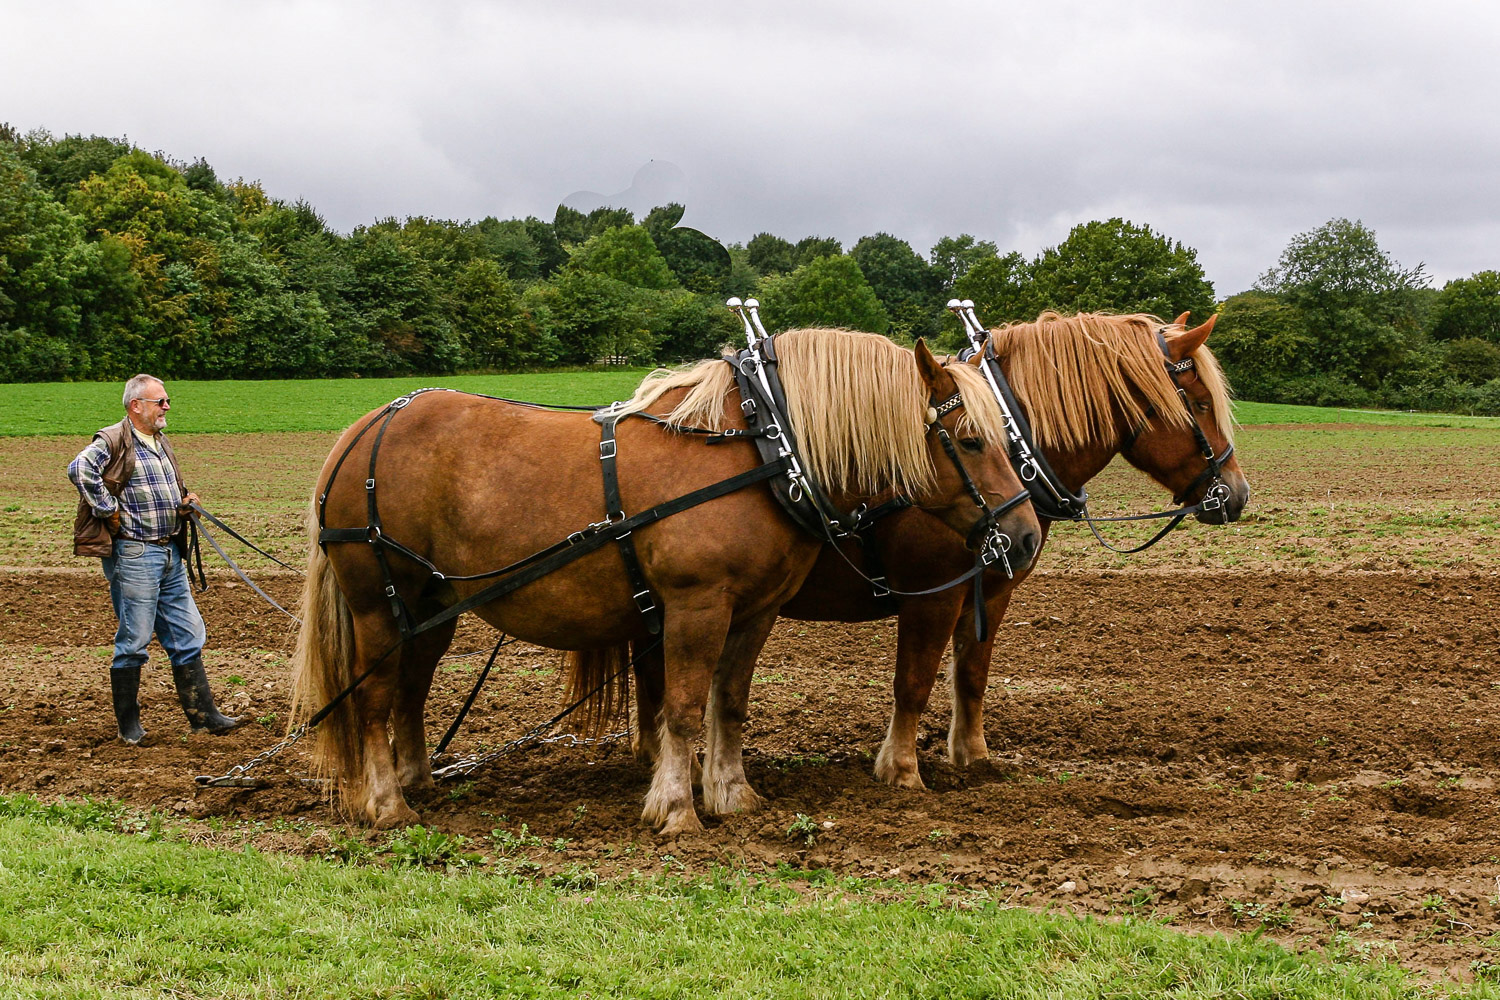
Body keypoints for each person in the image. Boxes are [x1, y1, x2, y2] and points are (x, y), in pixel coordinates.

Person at [68, 374, 242, 745]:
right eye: (160, 401)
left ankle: (204, 717)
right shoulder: (113, 438)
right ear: (136, 405)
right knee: (135, 638)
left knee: (187, 633)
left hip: (167, 550)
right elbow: (79, 469)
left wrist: (184, 500)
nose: (166, 407)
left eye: (166, 401)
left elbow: (158, 488)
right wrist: (106, 509)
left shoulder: (159, 442)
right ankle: (129, 728)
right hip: (135, 552)